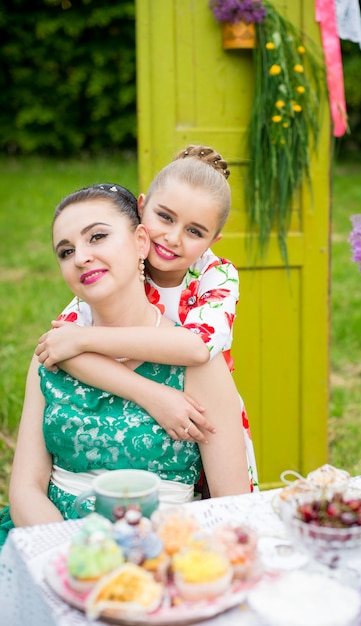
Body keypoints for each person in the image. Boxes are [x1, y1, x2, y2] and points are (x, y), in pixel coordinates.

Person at [0, 183, 250, 548]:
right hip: (54, 545)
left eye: (97, 237)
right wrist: (70, 556)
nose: (81, 257)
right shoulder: (55, 352)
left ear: (141, 242)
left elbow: (232, 507)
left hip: (163, 550)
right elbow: (24, 488)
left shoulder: (194, 363)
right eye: (66, 251)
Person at [36, 146, 259, 491]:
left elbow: (198, 346)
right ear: (142, 209)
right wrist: (151, 395)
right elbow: (60, 348)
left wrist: (84, 339)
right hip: (138, 409)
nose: (172, 238)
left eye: (195, 232)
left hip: (202, 407)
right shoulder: (117, 270)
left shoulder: (215, 276)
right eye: (165, 217)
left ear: (213, 241)